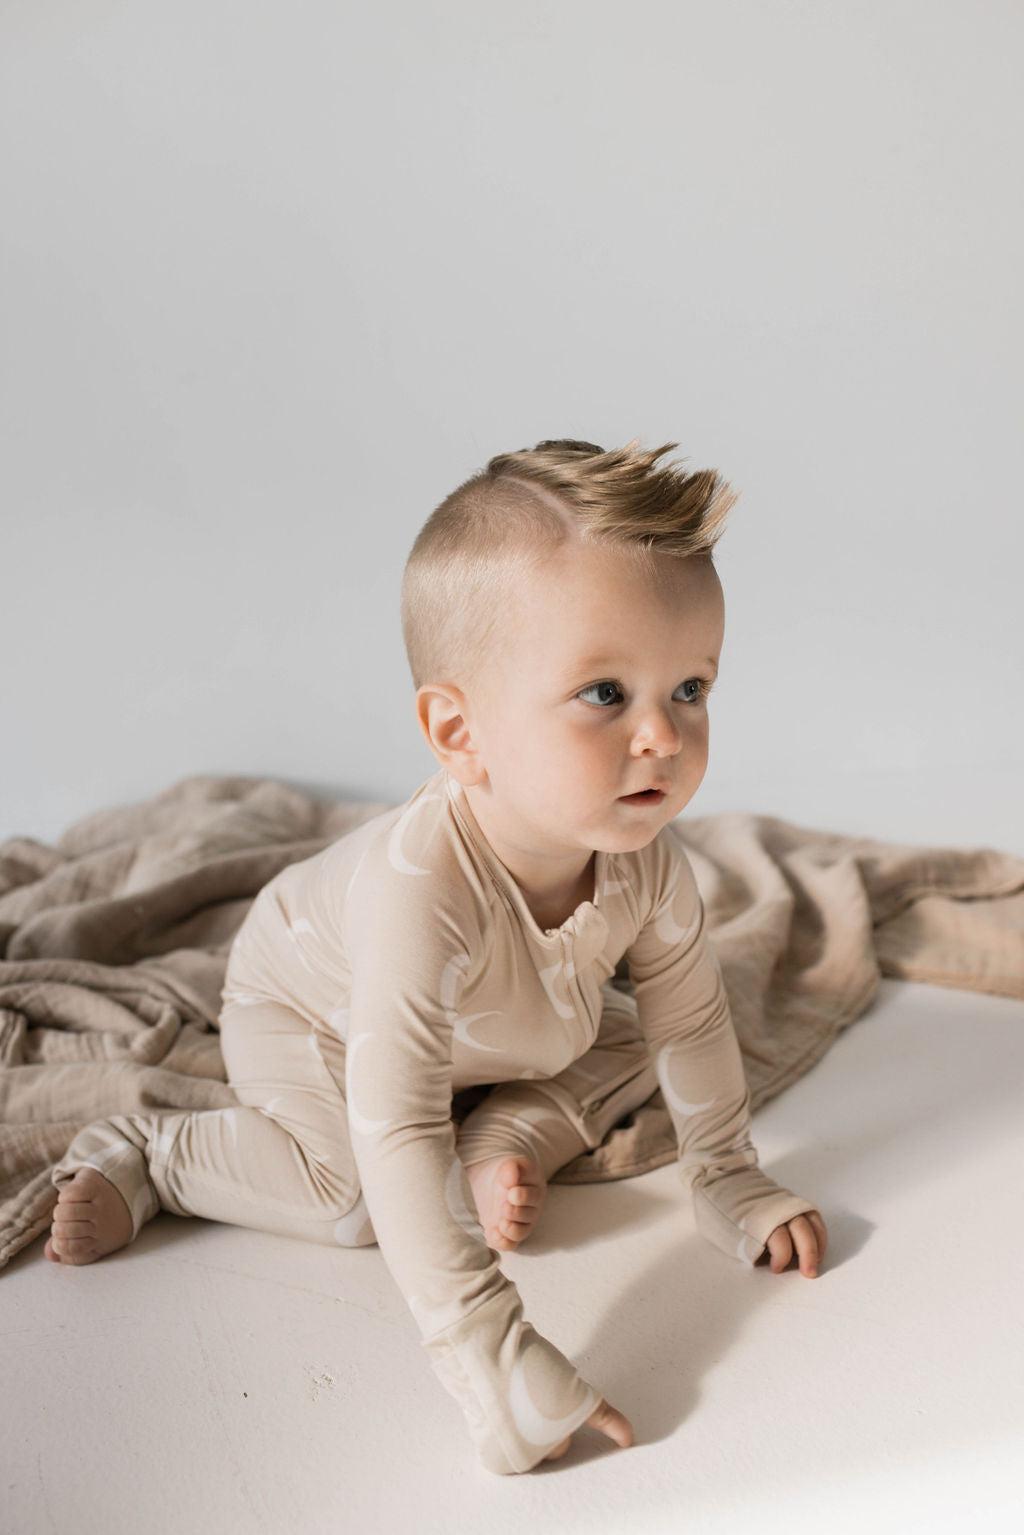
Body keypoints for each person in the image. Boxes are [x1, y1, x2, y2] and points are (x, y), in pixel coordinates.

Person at [45, 438, 828, 1475]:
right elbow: (399, 1121)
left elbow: (689, 1019)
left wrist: (724, 1171)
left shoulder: (645, 862)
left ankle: (508, 1122)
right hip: (310, 1015)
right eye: (605, 693)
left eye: (689, 686)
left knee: (647, 1027)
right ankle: (155, 1153)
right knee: (353, 1195)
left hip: (490, 1024)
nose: (663, 736)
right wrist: (487, 1345)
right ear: (458, 733)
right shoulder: (424, 891)